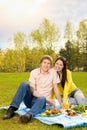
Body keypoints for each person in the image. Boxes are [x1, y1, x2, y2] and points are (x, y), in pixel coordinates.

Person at [3, 55, 62, 123]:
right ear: (41, 63)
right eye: (44, 62)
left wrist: (61, 104)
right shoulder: (34, 72)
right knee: (24, 84)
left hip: (41, 102)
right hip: (31, 100)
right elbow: (33, 91)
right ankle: (11, 110)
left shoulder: (53, 73)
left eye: (48, 63)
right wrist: (47, 99)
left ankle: (28, 115)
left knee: (42, 98)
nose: (46, 65)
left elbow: (56, 90)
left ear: (50, 65)